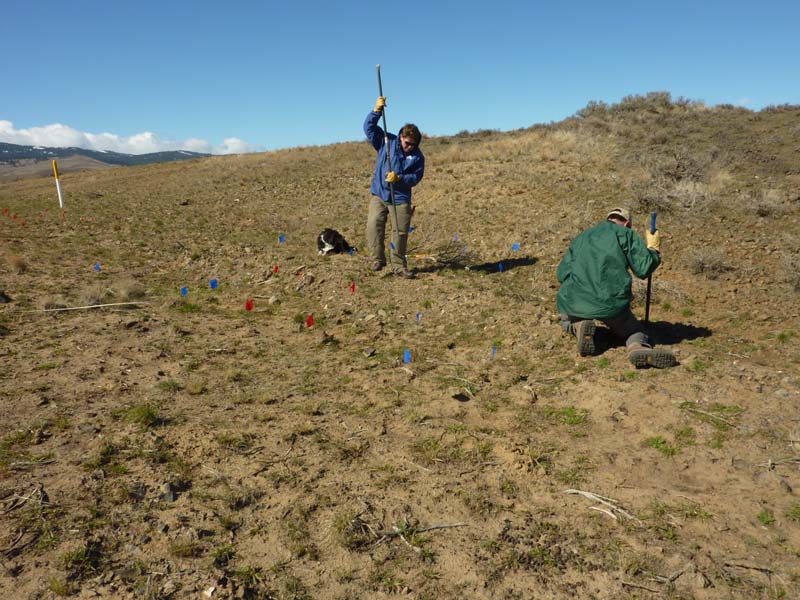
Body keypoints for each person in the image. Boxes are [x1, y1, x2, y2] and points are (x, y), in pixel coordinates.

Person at [556, 207, 677, 368]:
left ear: (608, 219)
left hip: (575, 300)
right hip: (610, 303)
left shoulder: (583, 236)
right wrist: (653, 250)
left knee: (565, 319)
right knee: (635, 331)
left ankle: (577, 326)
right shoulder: (626, 234)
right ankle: (636, 348)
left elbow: (561, 273)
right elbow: (643, 269)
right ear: (627, 223)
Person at [364, 96, 425, 278]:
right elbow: (369, 128)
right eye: (407, 143)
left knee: (399, 232)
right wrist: (376, 111)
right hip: (380, 194)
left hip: (400, 198)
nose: (409, 147)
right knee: (373, 225)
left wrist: (399, 178)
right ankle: (378, 259)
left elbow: (416, 177)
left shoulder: (418, 157)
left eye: (413, 145)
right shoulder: (386, 143)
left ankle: (399, 266)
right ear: (401, 137)